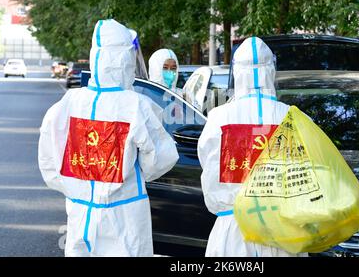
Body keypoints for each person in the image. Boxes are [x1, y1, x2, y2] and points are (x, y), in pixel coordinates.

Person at [38, 19, 179, 257]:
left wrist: (75, 188)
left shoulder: (68, 104)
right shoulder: (136, 105)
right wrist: (132, 172)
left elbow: (49, 160)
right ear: (124, 59)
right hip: (125, 214)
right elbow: (161, 157)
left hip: (80, 213)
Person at [198, 36, 308, 257]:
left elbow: (209, 173)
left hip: (232, 232)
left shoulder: (219, 118)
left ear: (237, 72)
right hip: (283, 233)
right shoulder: (292, 117)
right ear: (271, 71)